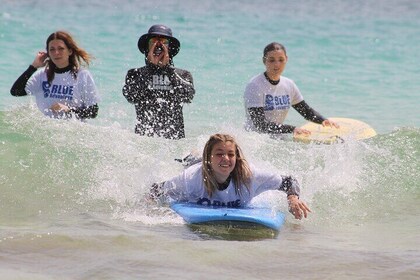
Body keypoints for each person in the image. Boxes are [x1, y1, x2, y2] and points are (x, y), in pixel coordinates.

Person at [150, 134, 311, 220]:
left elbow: (289, 180)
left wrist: (293, 199)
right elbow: (156, 189)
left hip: (210, 163)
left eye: (230, 154)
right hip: (201, 165)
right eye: (219, 154)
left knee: (218, 164)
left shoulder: (250, 177)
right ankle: (194, 155)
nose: (226, 158)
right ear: (210, 157)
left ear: (237, 157)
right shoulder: (191, 178)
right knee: (191, 161)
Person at [244, 42, 339, 137]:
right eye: (272, 60)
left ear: (286, 59)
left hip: (278, 138)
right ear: (264, 61)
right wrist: (292, 129)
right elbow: (260, 125)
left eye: (281, 60)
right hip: (255, 141)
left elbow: (306, 111)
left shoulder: (289, 85)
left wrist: (323, 120)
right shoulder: (255, 85)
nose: (277, 64)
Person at [122, 24, 195, 140]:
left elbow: (188, 96)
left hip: (175, 141)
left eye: (163, 42)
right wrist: (150, 69)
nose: (158, 46)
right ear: (147, 47)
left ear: (170, 48)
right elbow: (131, 96)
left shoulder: (183, 75)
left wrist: (168, 71)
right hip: (143, 139)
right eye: (154, 42)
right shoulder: (134, 74)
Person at [10, 30, 100, 120]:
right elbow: (16, 92)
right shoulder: (42, 75)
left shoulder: (82, 75)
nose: (56, 53)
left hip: (72, 130)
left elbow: (93, 111)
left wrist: (69, 110)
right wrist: (33, 67)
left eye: (61, 48)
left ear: (70, 51)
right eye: (52, 49)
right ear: (48, 53)